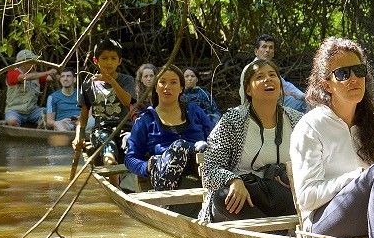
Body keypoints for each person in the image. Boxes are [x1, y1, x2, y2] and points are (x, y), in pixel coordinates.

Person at [291, 38, 374, 238]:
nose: (354, 79)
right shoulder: (311, 126)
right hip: (323, 221)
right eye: (343, 74)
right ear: (327, 85)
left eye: (359, 71)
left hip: (371, 213)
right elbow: (306, 197)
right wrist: (355, 177)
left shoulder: (373, 124)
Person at [199, 59, 302, 223]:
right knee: (222, 197)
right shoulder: (232, 120)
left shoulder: (297, 120)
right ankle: (277, 236)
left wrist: (291, 176)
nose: (268, 79)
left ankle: (276, 236)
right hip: (244, 197)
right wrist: (233, 180)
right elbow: (209, 170)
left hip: (281, 196)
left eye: (272, 75)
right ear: (248, 90)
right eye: (259, 76)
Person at [125, 65, 216, 191]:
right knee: (180, 146)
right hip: (164, 182)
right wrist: (147, 166)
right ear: (156, 87)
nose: (167, 87)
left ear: (181, 88)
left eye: (173, 82)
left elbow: (215, 139)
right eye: (162, 82)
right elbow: (130, 158)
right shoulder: (145, 120)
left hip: (200, 175)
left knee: (204, 148)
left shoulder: (194, 111)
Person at [73, 38, 136, 166]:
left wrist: (111, 81)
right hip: (101, 130)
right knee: (109, 155)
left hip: (125, 128)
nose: (109, 62)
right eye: (104, 58)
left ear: (120, 61)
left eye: (113, 58)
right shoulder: (88, 84)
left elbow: (127, 101)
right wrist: (79, 136)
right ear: (96, 61)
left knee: (131, 145)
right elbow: (84, 115)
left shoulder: (127, 80)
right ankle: (113, 182)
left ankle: (128, 180)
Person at [238, 34, 306, 112]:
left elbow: (285, 85)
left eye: (271, 47)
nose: (267, 50)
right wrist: (281, 93)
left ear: (273, 52)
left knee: (304, 101)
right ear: (256, 51)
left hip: (274, 105)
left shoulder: (269, 67)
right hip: (256, 110)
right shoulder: (251, 69)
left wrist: (303, 96)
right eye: (264, 47)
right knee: (299, 104)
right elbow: (258, 94)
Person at [4, 49, 56, 127]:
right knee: (12, 121)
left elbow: (50, 78)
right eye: (31, 61)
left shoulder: (36, 75)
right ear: (23, 63)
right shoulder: (12, 73)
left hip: (33, 111)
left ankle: (40, 129)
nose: (34, 63)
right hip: (14, 110)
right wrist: (48, 72)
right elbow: (24, 77)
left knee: (49, 114)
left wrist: (63, 76)